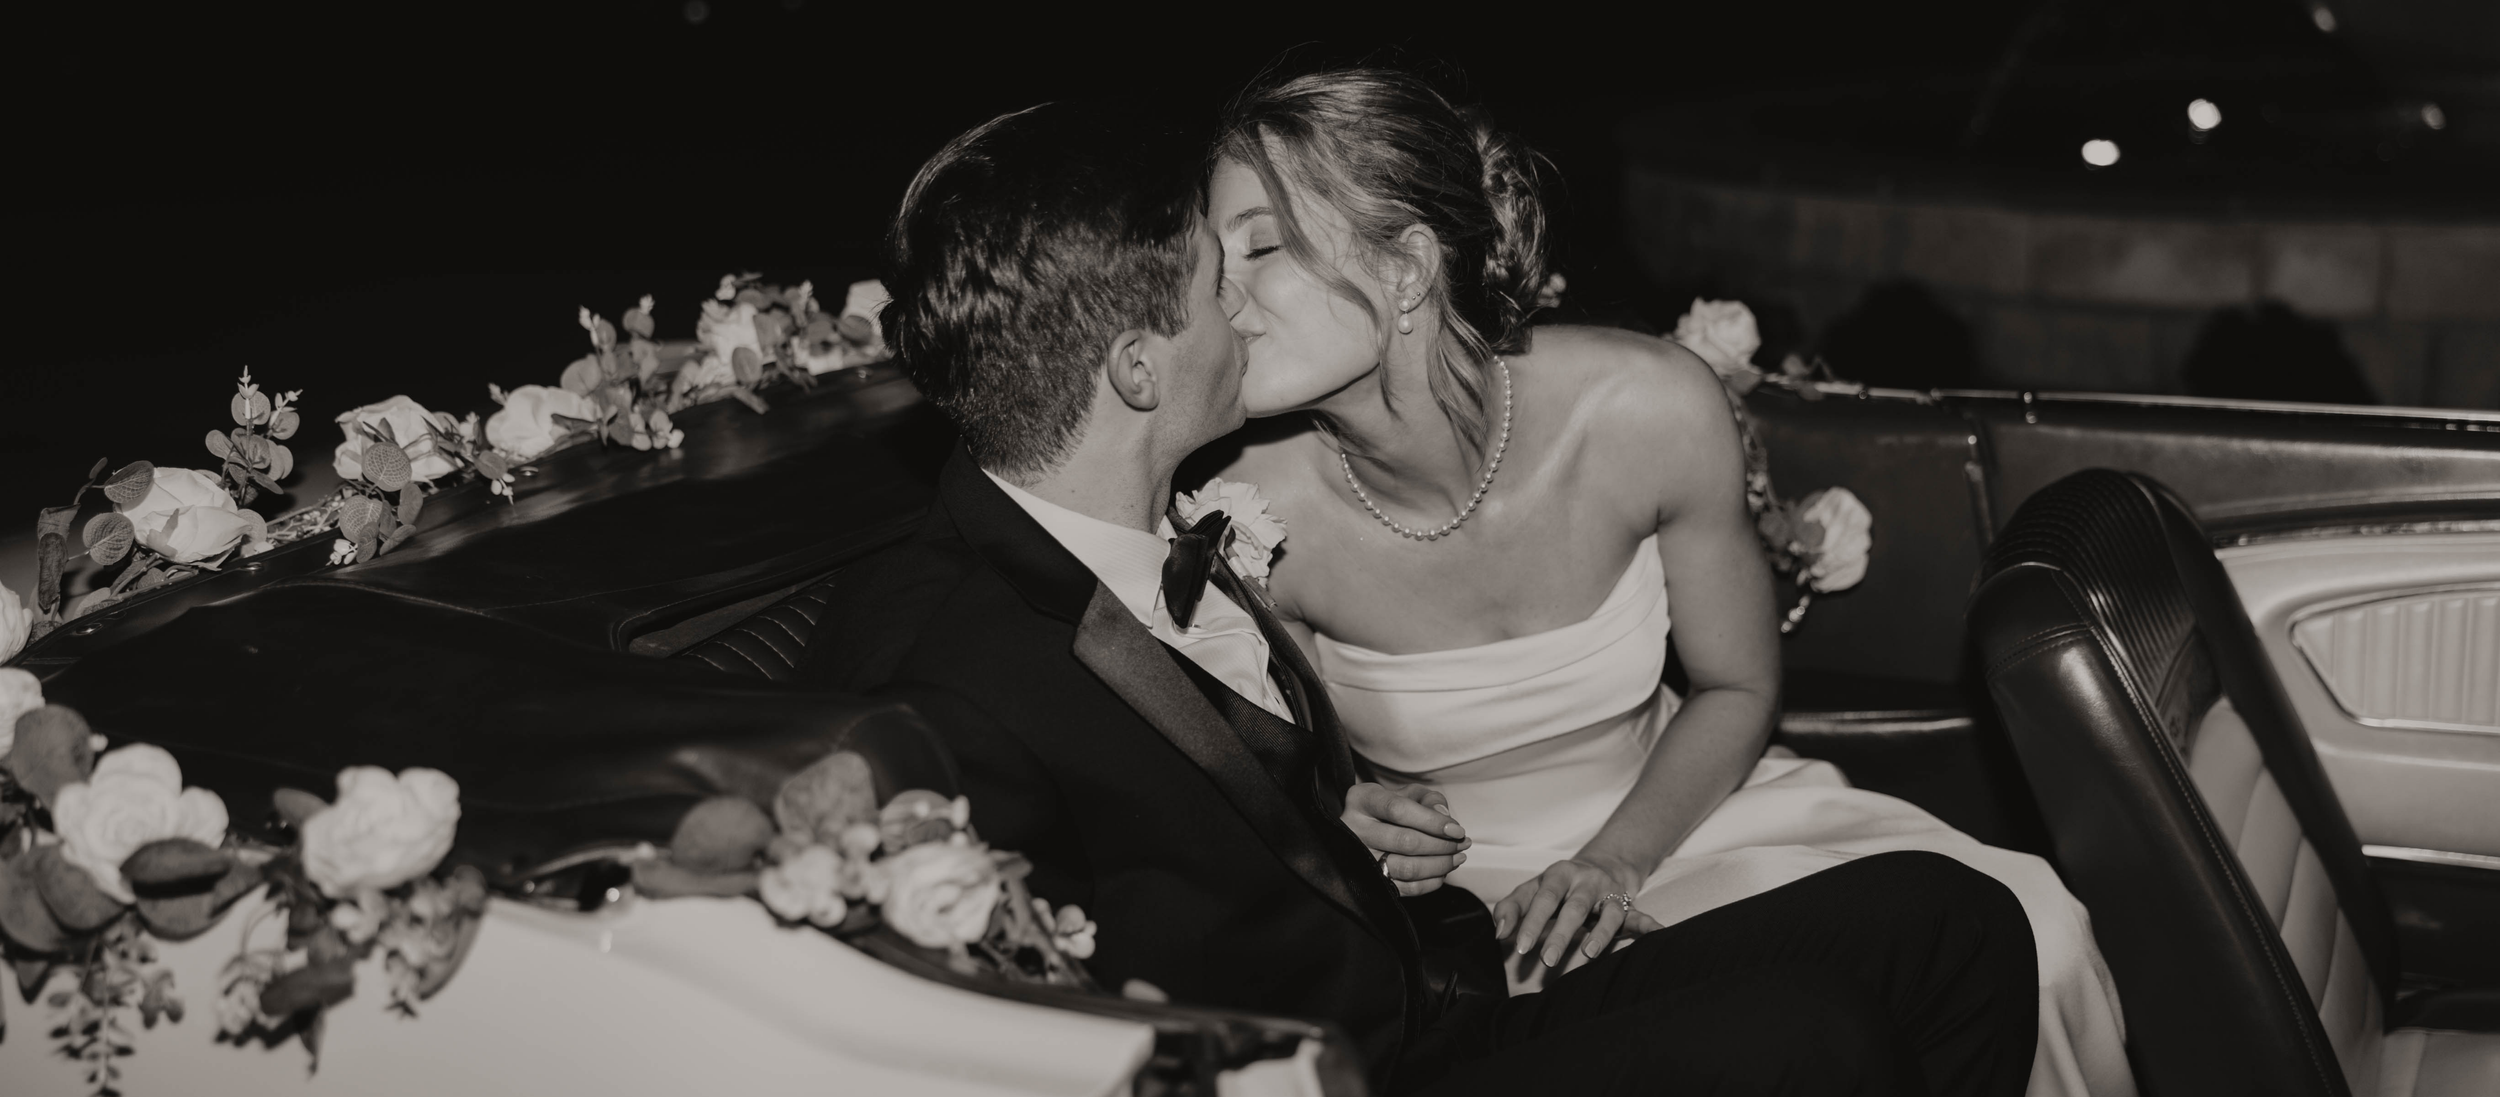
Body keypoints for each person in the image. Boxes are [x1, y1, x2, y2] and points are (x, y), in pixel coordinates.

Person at [799, 100, 2038, 1096]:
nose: (1237, 306)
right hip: (1346, 1062)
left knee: (1953, 923)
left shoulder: (1170, 522)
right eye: (1207, 283)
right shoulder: (941, 669)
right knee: (1803, 1036)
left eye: (1254, 260)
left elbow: (1232, 793)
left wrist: (1343, 814)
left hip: (1432, 972)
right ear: (1136, 370)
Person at [1195, 68, 2131, 1097]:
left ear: (1407, 264)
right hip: (1466, 906)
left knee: (2034, 922)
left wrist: (1614, 861)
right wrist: (1344, 815)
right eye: (1211, 253)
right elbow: (1259, 787)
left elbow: (1736, 686)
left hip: (1685, 806)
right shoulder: (1241, 509)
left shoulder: (1646, 405)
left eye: (1261, 246)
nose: (1216, 297)